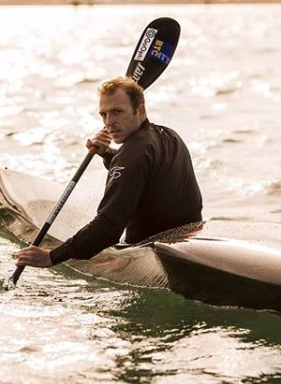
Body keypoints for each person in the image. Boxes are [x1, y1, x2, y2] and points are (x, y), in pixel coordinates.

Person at [16, 76, 202, 269]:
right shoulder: (170, 136)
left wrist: (52, 256)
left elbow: (108, 227)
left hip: (152, 254)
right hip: (190, 241)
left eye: (117, 112)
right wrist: (107, 154)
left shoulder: (131, 153)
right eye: (103, 115)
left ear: (140, 110)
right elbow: (139, 173)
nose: (109, 122)